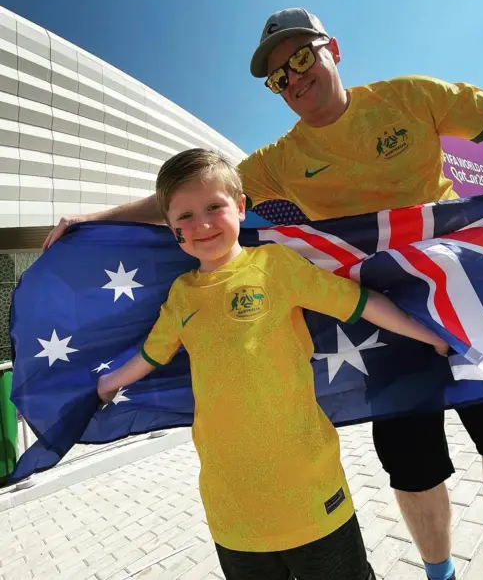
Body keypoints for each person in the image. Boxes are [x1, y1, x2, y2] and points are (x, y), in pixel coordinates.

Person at [45, 8, 483, 580]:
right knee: (413, 468)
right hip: (384, 320)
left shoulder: (410, 97)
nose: (293, 77)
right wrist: (96, 219)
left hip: (465, 297)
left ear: (334, 49)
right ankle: (439, 574)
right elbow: (191, 197)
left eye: (301, 57)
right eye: (278, 76)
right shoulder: (280, 162)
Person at [97, 148, 448, 580]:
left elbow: (359, 304)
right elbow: (153, 354)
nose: (201, 225)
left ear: (240, 207)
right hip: (232, 508)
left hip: (310, 490)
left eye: (213, 207)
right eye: (184, 217)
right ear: (170, 228)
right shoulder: (181, 294)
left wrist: (429, 333)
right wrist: (108, 384)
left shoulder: (275, 266)